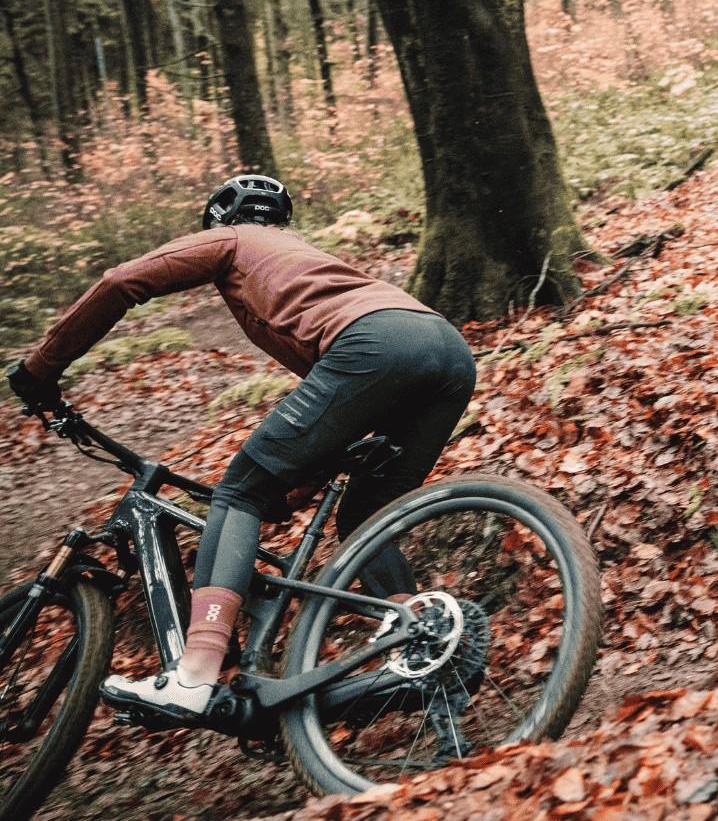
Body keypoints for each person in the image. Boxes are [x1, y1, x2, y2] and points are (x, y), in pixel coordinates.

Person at [6, 175, 476, 720]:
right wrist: (302, 479)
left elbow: (120, 281)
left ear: (222, 219)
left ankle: (195, 675)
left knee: (239, 492)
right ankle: (422, 646)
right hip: (446, 351)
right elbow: (343, 406)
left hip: (374, 344)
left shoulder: (232, 239)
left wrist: (41, 370)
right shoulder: (308, 260)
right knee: (367, 517)